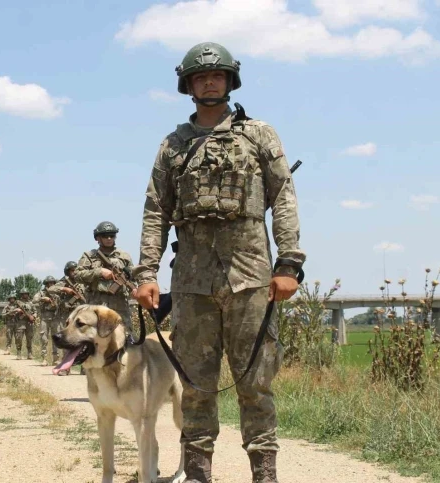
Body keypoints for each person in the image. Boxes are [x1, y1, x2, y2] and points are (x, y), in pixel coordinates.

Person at [132, 42, 305, 483]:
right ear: (188, 85)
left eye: (217, 75)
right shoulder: (173, 146)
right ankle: (197, 474)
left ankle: (265, 474)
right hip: (191, 282)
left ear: (230, 81)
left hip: (251, 277)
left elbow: (283, 197)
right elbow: (156, 211)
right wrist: (147, 273)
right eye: (200, 77)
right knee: (194, 385)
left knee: (256, 384)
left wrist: (288, 263)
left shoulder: (259, 135)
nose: (209, 82)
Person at [73, 221, 135, 342]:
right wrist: (99, 272)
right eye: (105, 236)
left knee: (126, 336)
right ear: (97, 238)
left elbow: (133, 275)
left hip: (120, 304)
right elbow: (77, 275)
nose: (108, 238)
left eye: (112, 235)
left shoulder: (124, 256)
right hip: (96, 303)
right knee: (95, 337)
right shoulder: (89, 256)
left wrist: (134, 288)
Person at [46, 261, 87, 375]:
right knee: (67, 341)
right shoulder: (63, 282)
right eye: (72, 270)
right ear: (68, 271)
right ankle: (65, 368)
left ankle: (84, 367)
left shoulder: (82, 282)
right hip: (67, 315)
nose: (74, 272)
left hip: (81, 315)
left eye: (76, 270)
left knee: (83, 341)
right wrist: (64, 289)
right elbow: (50, 289)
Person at [33, 276, 61, 365]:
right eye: (49, 283)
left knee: (56, 339)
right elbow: (34, 300)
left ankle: (56, 359)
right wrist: (43, 298)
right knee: (44, 338)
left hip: (55, 318)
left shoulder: (58, 294)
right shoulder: (41, 293)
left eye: (52, 283)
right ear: (46, 284)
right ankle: (44, 359)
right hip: (44, 318)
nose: (51, 284)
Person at [12, 288, 37, 360]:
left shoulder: (31, 303)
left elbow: (35, 311)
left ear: (28, 294)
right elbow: (11, 311)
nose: (24, 295)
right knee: (19, 338)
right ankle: (19, 353)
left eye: (26, 294)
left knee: (29, 338)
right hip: (20, 323)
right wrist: (17, 310)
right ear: (21, 295)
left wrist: (33, 316)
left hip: (29, 322)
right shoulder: (17, 302)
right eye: (23, 294)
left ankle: (29, 353)